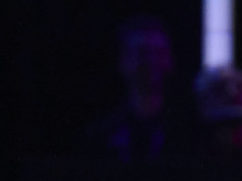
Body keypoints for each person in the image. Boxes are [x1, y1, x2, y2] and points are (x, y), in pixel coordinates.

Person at [83, 15, 193, 162]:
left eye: (158, 53)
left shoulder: (188, 133)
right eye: (142, 53)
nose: (151, 62)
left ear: (169, 60)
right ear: (123, 61)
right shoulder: (102, 135)